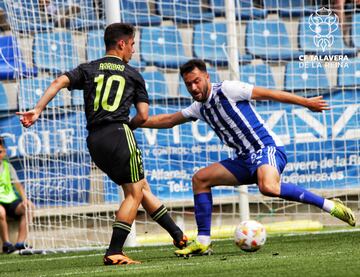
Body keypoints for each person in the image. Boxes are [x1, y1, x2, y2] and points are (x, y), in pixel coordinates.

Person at [140, 59, 356, 257]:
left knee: (268, 187)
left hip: (266, 148)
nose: (194, 88)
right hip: (243, 159)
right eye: (189, 84)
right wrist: (133, 122)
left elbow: (270, 94)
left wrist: (305, 102)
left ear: (206, 77)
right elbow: (168, 119)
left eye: (196, 81)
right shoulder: (199, 108)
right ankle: (203, 240)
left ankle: (328, 205)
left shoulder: (228, 89)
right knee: (200, 179)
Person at [17, 23, 187, 265]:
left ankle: (179, 237)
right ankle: (115, 250)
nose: (133, 50)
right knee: (133, 193)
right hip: (119, 133)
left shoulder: (89, 68)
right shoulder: (132, 74)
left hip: (95, 141)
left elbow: (58, 81)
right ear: (121, 44)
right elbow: (143, 116)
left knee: (141, 187)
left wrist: (38, 109)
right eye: (132, 44)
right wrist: (129, 127)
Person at [0, 136, 34, 254]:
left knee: (28, 207)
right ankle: (6, 244)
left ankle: (20, 243)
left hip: (10, 200)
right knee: (1, 212)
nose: (0, 154)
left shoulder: (7, 166)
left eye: (1, 151)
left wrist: (25, 199)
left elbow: (18, 185)